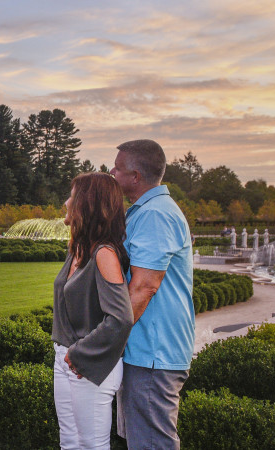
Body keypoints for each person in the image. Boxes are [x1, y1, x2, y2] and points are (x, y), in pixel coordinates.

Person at [109, 139, 194, 449]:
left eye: (116, 169)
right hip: (144, 352)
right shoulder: (145, 211)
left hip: (153, 355)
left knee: (152, 444)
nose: (111, 173)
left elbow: (145, 287)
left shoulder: (156, 215)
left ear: (135, 176)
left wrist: (106, 340)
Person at [52, 172, 134, 450]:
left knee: (91, 446)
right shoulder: (77, 249)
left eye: (72, 196)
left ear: (87, 204)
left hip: (90, 364)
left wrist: (79, 353)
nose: (66, 202)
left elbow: (121, 318)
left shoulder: (104, 254)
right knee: (70, 442)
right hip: (65, 359)